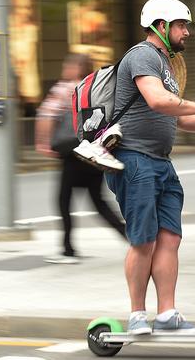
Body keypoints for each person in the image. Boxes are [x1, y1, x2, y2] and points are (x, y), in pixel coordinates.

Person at [104, 0, 195, 334]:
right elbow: (158, 100)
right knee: (144, 241)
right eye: (182, 25)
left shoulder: (167, 65)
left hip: (161, 163)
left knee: (169, 238)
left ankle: (166, 314)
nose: (188, 32)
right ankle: (138, 314)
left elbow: (177, 118)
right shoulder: (141, 55)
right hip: (134, 159)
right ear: (161, 26)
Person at [36, 53, 126, 264]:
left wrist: (42, 142)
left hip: (73, 152)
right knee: (98, 201)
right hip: (95, 150)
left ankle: (68, 249)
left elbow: (46, 115)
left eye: (68, 64)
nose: (65, 68)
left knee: (63, 200)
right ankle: (130, 236)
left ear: (77, 67)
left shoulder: (65, 88)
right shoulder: (94, 87)